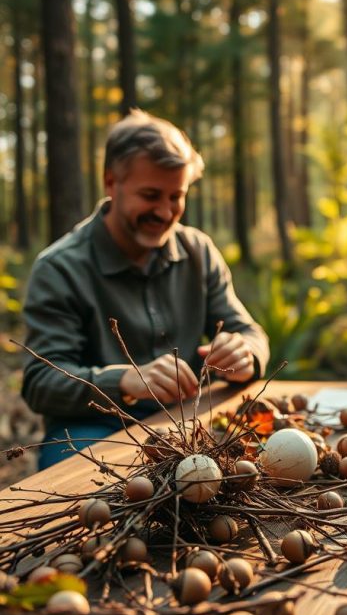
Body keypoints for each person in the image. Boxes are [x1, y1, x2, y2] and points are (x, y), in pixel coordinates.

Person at [22, 109, 270, 468]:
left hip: (190, 423)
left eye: (176, 196)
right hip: (93, 429)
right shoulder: (59, 268)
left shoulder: (198, 251)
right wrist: (124, 380)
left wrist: (245, 353)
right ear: (111, 182)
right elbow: (41, 381)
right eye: (151, 195)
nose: (166, 211)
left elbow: (249, 332)